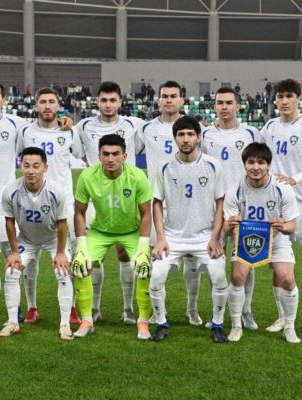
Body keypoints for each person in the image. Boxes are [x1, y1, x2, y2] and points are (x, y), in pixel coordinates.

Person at [0, 81, 73, 324]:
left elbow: (44, 128)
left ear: (4, 100)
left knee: (14, 253)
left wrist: (66, 121)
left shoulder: (18, 125)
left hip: (6, 201)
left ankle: (24, 306)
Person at [149, 116, 229, 343]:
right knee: (156, 277)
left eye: (190, 134)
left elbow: (220, 203)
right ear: (174, 138)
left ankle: (217, 324)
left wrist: (215, 238)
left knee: (219, 276)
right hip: (172, 237)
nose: (186, 139)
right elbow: (157, 202)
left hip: (205, 237)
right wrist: (161, 238)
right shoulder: (164, 167)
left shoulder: (213, 165)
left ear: (199, 137)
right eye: (181, 135)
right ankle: (161, 323)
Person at [72, 81, 146, 324]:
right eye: (103, 100)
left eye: (113, 100)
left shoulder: (135, 125)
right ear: (97, 102)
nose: (108, 104)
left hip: (126, 198)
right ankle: (95, 309)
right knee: (94, 257)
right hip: (96, 198)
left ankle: (128, 309)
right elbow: (76, 150)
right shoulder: (83, 126)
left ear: (120, 102)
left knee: (125, 254)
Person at [259, 79, 302, 337]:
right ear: (275, 100)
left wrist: (294, 179)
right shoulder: (269, 127)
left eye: (289, 96)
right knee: (279, 265)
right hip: (277, 207)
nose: (284, 101)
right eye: (280, 96)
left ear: (298, 98)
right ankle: (282, 316)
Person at [70, 134, 153, 340]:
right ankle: (87, 320)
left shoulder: (137, 176)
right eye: (105, 154)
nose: (110, 158)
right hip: (100, 230)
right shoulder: (87, 176)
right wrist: (81, 246)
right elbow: (79, 212)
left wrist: (143, 248)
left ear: (125, 156)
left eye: (115, 154)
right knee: (81, 265)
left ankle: (143, 321)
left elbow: (146, 213)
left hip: (131, 231)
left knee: (144, 268)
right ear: (99, 156)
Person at [135, 80, 203, 326]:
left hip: (189, 203)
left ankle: (192, 309)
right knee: (157, 259)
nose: (169, 100)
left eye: (174, 96)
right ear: (158, 100)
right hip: (158, 203)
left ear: (182, 100)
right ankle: (157, 311)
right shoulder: (145, 129)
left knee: (192, 261)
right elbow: (128, 156)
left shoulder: (193, 128)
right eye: (165, 96)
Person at [224, 142, 301, 343]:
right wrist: (230, 224)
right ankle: (236, 325)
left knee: (287, 278)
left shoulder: (282, 189)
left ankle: (290, 327)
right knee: (238, 276)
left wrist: (283, 225)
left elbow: (292, 225)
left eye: (261, 162)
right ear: (244, 165)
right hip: (246, 240)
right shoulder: (235, 190)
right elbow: (226, 228)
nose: (256, 167)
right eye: (251, 162)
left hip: (276, 240)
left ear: (268, 165)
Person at [18, 87, 80, 325]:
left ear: (58, 105)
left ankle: (71, 308)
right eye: (42, 101)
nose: (47, 106)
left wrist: (70, 124)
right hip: (31, 204)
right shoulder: (25, 132)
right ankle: (31, 306)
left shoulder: (70, 131)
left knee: (68, 258)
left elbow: (82, 154)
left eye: (51, 101)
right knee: (29, 260)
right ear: (36, 105)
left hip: (65, 205)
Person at [0, 147, 74, 340]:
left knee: (62, 271)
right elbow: (9, 222)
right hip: (27, 239)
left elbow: (62, 224)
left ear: (45, 168)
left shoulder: (56, 191)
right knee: (11, 271)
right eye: (26, 166)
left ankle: (65, 324)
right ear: (20, 167)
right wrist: (14, 252)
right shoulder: (11, 191)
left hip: (54, 239)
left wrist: (60, 253)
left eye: (35, 166)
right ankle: (13, 322)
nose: (30, 170)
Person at [201, 86, 259, 330]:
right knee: (215, 259)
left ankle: (246, 310)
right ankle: (218, 312)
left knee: (246, 260)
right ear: (214, 106)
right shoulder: (204, 134)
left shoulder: (251, 132)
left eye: (228, 102)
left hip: (243, 205)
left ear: (238, 106)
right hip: (213, 205)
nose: (224, 107)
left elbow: (260, 164)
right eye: (220, 103)